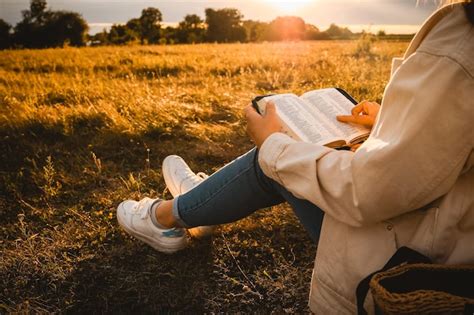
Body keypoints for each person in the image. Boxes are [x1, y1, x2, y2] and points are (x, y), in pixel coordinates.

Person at [117, 2, 474, 313]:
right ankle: (202, 200)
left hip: (411, 268)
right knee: (284, 149)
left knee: (275, 159)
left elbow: (369, 193)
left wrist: (274, 145)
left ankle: (165, 217)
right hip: (452, 238)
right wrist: (393, 121)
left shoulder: (462, 43)